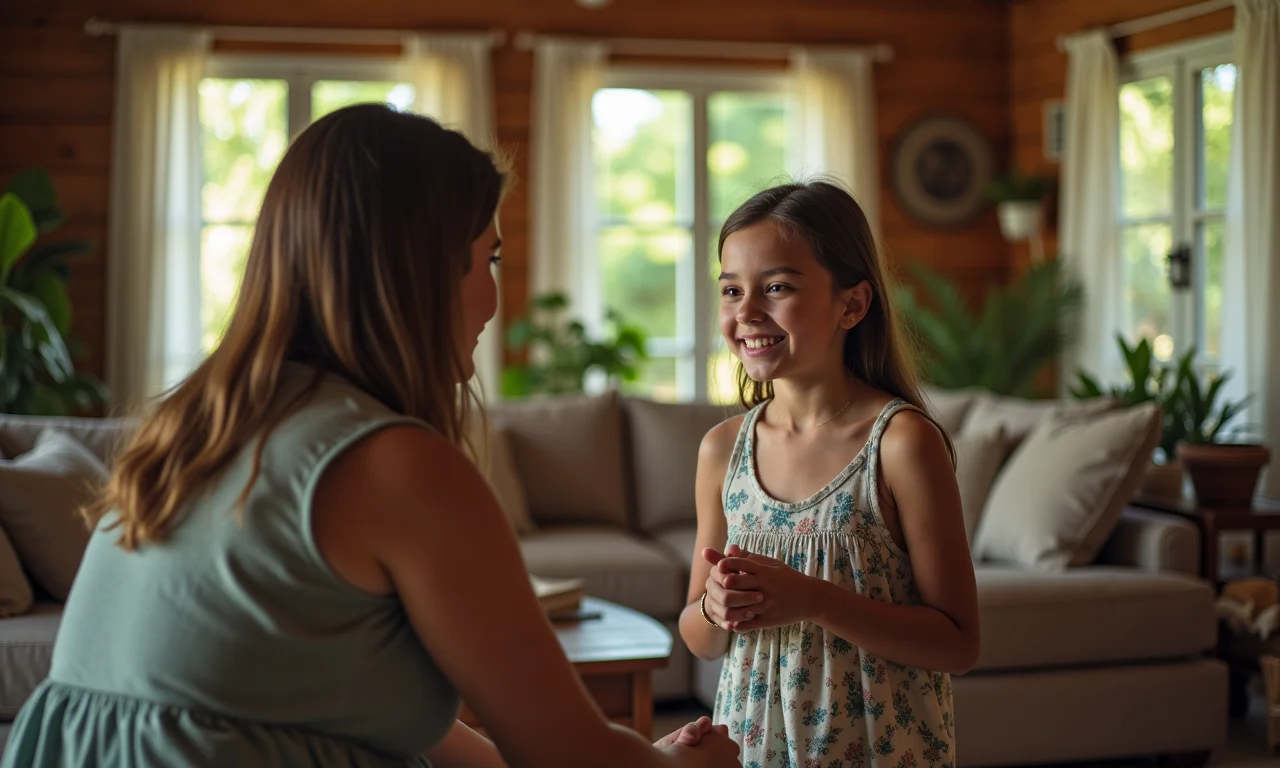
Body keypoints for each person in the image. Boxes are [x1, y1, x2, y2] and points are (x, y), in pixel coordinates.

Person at [1, 104, 740, 768]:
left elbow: (366, 713)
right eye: (488, 259)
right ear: (414, 271)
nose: (491, 296)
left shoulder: (193, 427)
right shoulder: (394, 464)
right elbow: (569, 757)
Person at [677, 181, 979, 768]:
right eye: (732, 290)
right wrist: (715, 606)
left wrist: (815, 599)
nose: (746, 313)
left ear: (853, 304)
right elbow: (700, 636)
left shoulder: (900, 443)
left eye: (778, 287)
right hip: (755, 749)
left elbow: (958, 644)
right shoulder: (723, 451)